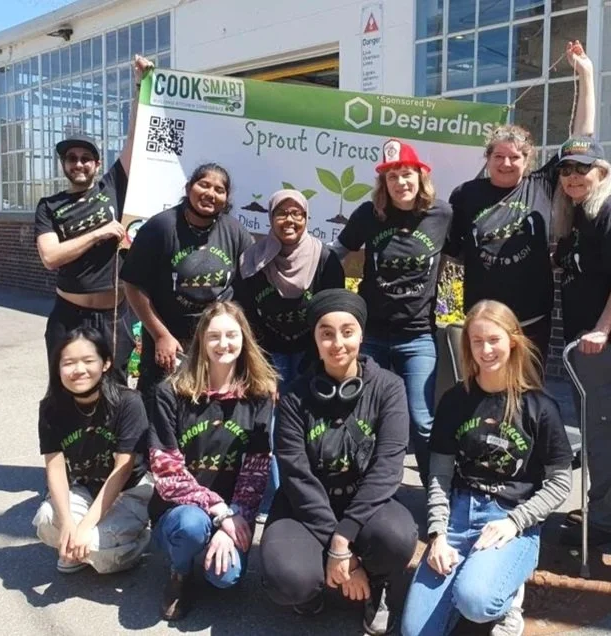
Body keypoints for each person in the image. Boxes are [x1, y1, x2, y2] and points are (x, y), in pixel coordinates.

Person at [400, 300, 573, 636]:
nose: (485, 350)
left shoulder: (540, 407)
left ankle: (506, 598)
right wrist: (437, 535)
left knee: (477, 602)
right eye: (476, 341)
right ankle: (473, 578)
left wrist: (516, 522)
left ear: (513, 341)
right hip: (457, 515)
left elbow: (559, 483)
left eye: (493, 339)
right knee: (414, 631)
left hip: (509, 518)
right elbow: (439, 475)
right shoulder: (455, 400)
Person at [261, 289, 418, 636]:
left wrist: (342, 539)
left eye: (347, 332)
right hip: (304, 508)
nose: (338, 343)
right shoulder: (294, 397)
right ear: (315, 340)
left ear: (361, 334)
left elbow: (387, 469)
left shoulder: (388, 388)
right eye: (326, 333)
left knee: (397, 537)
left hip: (364, 503)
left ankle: (378, 585)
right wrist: (346, 555)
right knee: (286, 578)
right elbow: (296, 477)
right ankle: (317, 584)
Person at [447, 41, 595, 367]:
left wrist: (586, 74)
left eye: (515, 157)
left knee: (528, 389)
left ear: (528, 161)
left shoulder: (541, 184)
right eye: (498, 156)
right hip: (483, 321)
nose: (506, 163)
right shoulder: (465, 195)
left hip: (531, 319)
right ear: (487, 158)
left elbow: (581, 139)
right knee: (483, 389)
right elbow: (452, 251)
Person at [330, 139, 454, 485]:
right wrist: (332, 303)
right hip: (372, 335)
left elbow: (466, 253)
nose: (401, 182)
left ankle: (437, 492)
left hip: (417, 336)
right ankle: (370, 489)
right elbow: (336, 253)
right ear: (383, 183)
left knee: (421, 420)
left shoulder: (442, 215)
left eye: (406, 174)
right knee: (368, 417)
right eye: (392, 176)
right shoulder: (369, 215)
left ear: (420, 177)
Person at [148, 301, 277, 620]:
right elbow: (167, 474)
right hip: (180, 512)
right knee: (192, 526)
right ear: (201, 341)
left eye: (232, 335)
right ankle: (180, 572)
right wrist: (220, 512)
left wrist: (234, 516)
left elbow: (256, 472)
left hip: (234, 511)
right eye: (214, 336)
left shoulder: (259, 395)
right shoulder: (171, 393)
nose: (223, 344)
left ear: (244, 339)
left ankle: (210, 552)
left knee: (225, 578)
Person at [550, 137, 611, 547]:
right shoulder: (578, 214)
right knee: (595, 432)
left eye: (582, 169)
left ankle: (605, 521)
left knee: (605, 433)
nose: (573, 177)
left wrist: (603, 329)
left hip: (608, 346)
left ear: (602, 171)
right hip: (582, 345)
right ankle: (605, 507)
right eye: (566, 170)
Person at [35, 55, 153, 375]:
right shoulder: (49, 206)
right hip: (68, 315)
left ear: (97, 164)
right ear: (64, 164)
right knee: (68, 390)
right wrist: (98, 233)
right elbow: (51, 257)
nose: (79, 163)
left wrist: (140, 85)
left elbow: (135, 136)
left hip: (113, 316)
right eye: (71, 158)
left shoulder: (112, 185)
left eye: (86, 158)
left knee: (115, 390)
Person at [239, 188, 344, 521]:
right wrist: (261, 366)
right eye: (281, 213)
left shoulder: (325, 259)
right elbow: (246, 316)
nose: (289, 220)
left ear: (306, 218)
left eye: (296, 213)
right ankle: (274, 499)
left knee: (312, 424)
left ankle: (310, 495)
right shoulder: (253, 260)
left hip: (312, 352)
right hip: (269, 352)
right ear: (270, 218)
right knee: (270, 425)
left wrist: (320, 360)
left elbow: (333, 310)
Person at [120, 163, 254, 412]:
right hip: (170, 343)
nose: (210, 193)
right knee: (160, 412)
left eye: (219, 190)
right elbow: (133, 285)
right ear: (188, 188)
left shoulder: (234, 231)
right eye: (204, 185)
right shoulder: (160, 227)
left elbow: (251, 282)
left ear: (226, 199)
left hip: (215, 345)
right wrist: (160, 335)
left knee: (206, 415)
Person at [33, 327, 152, 575]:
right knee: (47, 520)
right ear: (57, 367)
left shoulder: (128, 402)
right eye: (69, 363)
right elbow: (55, 468)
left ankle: (138, 540)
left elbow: (123, 470)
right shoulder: (51, 408)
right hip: (84, 487)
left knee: (95, 548)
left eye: (88, 361)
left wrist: (85, 527)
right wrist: (68, 524)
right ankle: (80, 549)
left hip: (128, 490)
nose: (78, 370)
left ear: (105, 363)